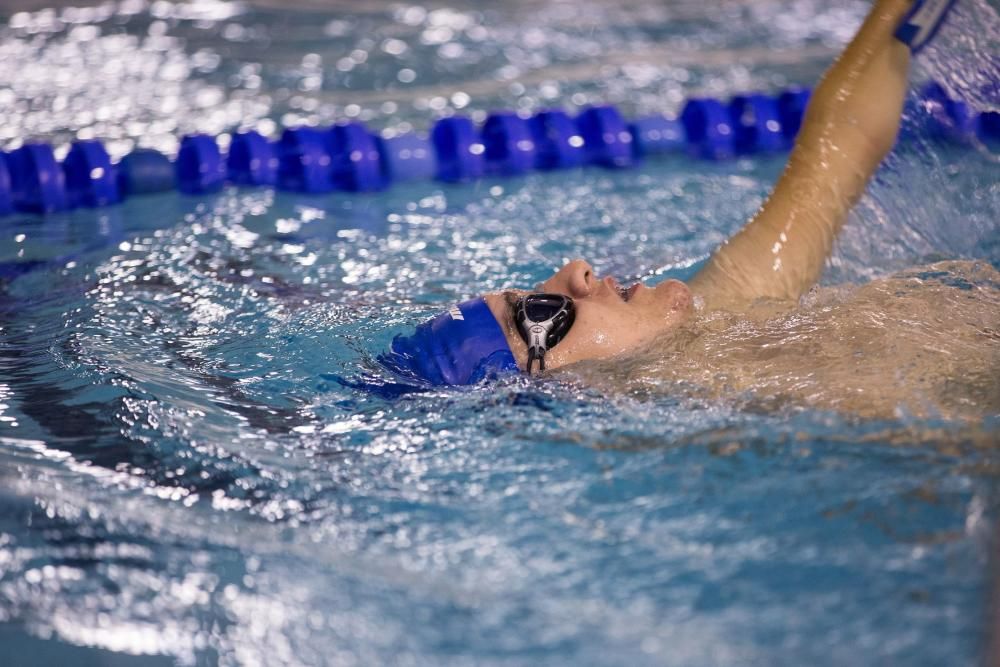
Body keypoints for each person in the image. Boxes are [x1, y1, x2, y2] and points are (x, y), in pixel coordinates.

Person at [382, 0, 993, 413]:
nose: (575, 270)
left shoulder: (729, 313)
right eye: (542, 312)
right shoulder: (783, 410)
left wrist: (897, 13)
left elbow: (836, 153)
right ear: (559, 388)